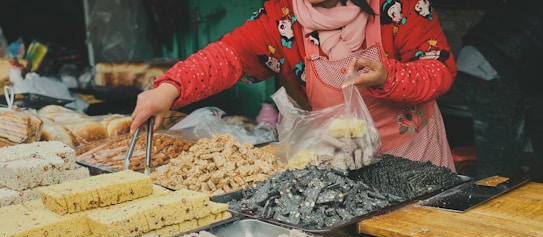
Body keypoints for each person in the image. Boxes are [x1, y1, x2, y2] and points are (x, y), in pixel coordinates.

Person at [131, 0, 457, 170]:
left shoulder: (400, 6)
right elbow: (228, 56)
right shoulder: (280, 17)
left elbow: (438, 68)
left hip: (415, 159)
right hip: (341, 164)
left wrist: (389, 76)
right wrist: (170, 88)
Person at [455, 0, 543, 180]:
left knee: (503, 149)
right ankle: (490, 199)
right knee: (499, 159)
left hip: (475, 57)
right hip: (491, 67)